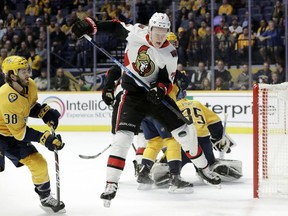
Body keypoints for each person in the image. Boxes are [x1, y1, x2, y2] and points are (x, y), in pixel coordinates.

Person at [72, 12, 219, 207]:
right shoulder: (136, 33)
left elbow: (167, 80)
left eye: (163, 33)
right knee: (122, 138)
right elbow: (115, 26)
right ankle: (111, 183)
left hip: (156, 97)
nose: (160, 37)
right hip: (132, 96)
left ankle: (204, 169)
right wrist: (90, 25)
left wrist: (160, 89)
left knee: (185, 132)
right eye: (156, 32)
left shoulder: (170, 53)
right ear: (150, 29)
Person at [0, 56, 65, 212]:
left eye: (27, 70)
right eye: (23, 72)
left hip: (14, 134)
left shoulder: (30, 85)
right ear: (12, 76)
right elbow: (21, 133)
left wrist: (44, 112)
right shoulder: (7, 97)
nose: (28, 74)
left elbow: (30, 106)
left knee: (39, 163)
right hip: (4, 136)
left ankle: (45, 198)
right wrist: (45, 138)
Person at [151, 90, 242, 187]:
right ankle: (212, 167)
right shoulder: (196, 103)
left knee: (171, 162)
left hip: (184, 143)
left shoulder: (171, 107)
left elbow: (163, 130)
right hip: (204, 142)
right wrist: (218, 138)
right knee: (208, 163)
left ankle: (170, 172)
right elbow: (214, 121)